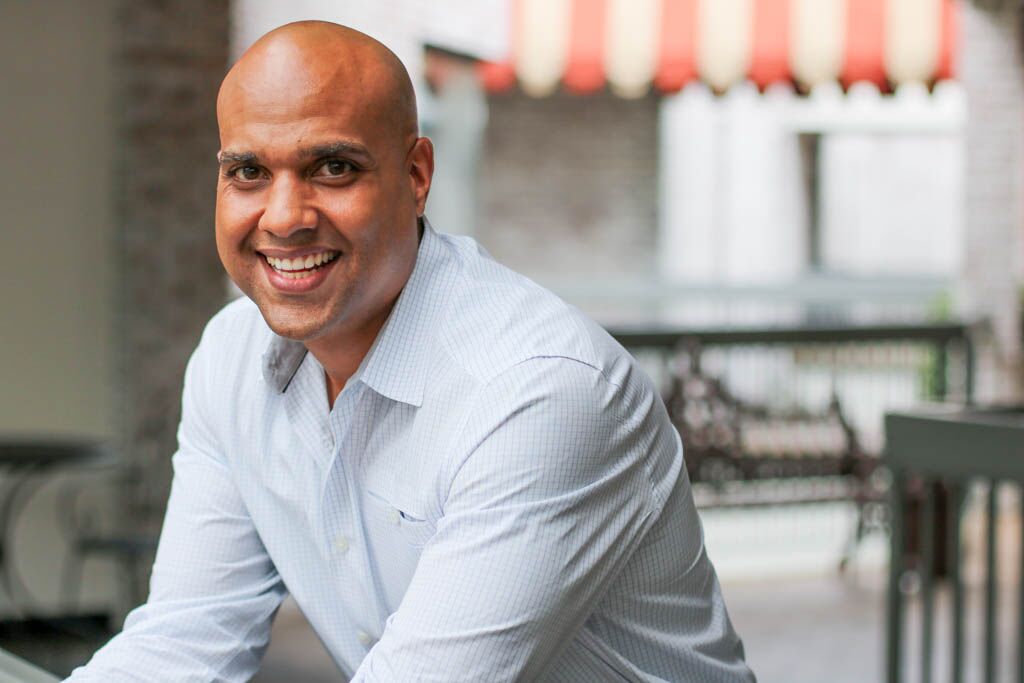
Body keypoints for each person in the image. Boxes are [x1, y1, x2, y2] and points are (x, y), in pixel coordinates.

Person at [67, 21, 755, 682]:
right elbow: (183, 641)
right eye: (247, 171)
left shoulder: (538, 391)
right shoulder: (230, 358)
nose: (282, 216)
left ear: (417, 173)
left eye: (332, 167)